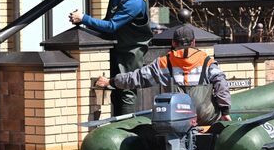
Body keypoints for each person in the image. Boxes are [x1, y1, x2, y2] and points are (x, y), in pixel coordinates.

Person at [95, 24, 232, 125]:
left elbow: (137, 78)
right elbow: (222, 85)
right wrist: (225, 112)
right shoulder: (208, 62)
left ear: (173, 43)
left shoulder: (164, 62)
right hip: (205, 117)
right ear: (194, 42)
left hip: (176, 117)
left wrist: (111, 82)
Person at [69, 0, 153, 116]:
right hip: (117, 44)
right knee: (113, 85)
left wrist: (83, 18)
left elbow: (112, 26)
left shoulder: (135, 1)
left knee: (126, 88)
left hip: (130, 50)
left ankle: (126, 128)